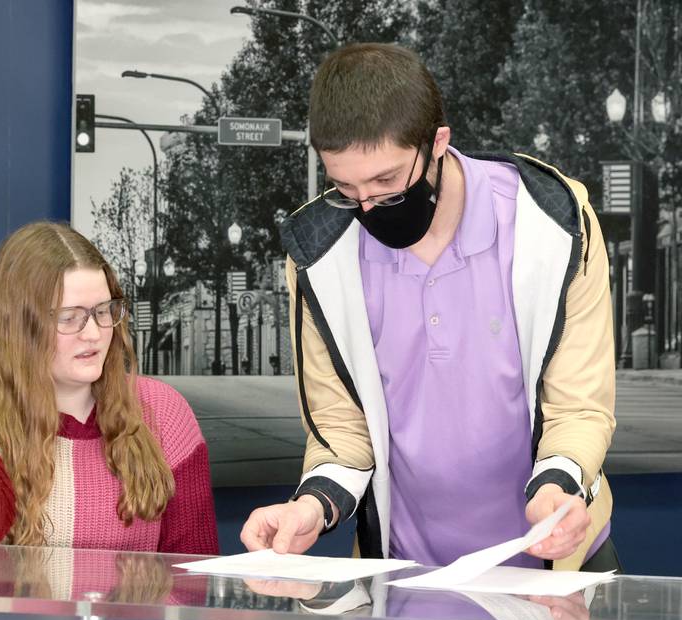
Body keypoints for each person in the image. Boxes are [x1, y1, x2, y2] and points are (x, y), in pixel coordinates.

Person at [241, 43, 619, 572]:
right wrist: (311, 506)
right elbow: (340, 427)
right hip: (405, 577)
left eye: (387, 181)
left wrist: (559, 486)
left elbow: (579, 405)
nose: (368, 206)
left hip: (555, 568)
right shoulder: (318, 254)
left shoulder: (554, 222)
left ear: (438, 142)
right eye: (345, 187)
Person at [0, 221, 218, 554]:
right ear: (20, 325)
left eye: (103, 311)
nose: (93, 333)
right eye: (69, 317)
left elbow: (194, 572)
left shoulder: (163, 412)